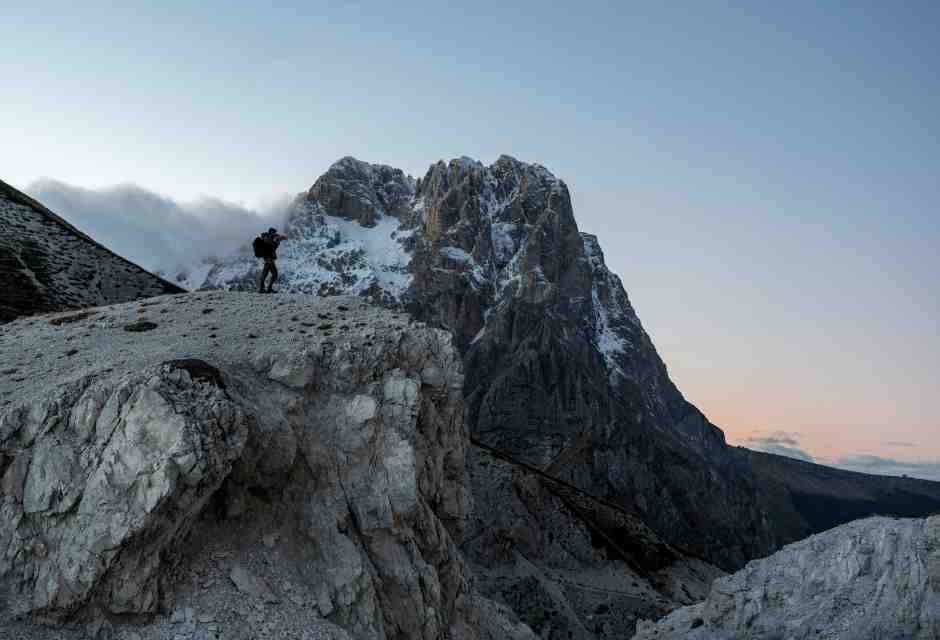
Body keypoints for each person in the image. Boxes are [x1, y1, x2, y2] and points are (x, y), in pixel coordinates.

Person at [258, 227, 286, 293]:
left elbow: (273, 246)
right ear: (271, 232)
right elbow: (272, 245)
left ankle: (263, 289)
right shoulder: (267, 238)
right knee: (274, 274)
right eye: (274, 232)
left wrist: (278, 240)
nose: (275, 234)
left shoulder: (268, 238)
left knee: (265, 273)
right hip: (269, 259)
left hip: (268, 258)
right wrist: (277, 241)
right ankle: (267, 289)